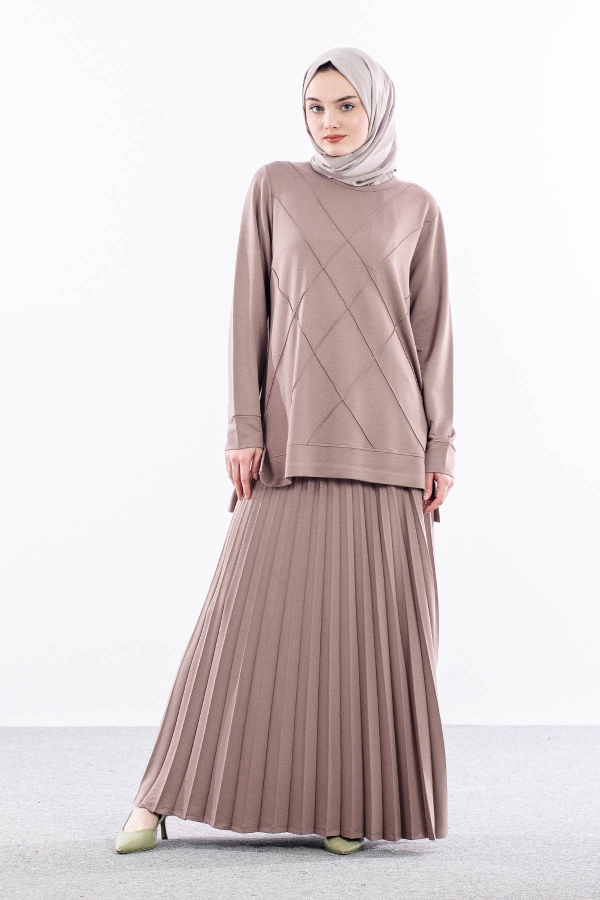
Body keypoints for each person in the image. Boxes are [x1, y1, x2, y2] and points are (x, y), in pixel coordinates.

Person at [115, 45, 456, 857]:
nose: (329, 122)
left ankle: (352, 801)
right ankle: (156, 796)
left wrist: (440, 447)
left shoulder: (417, 208)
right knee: (239, 630)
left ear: (377, 109)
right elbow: (249, 313)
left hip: (390, 448)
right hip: (291, 444)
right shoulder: (274, 187)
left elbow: (434, 338)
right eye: (316, 107)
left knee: (370, 641)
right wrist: (244, 426)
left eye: (346, 106)